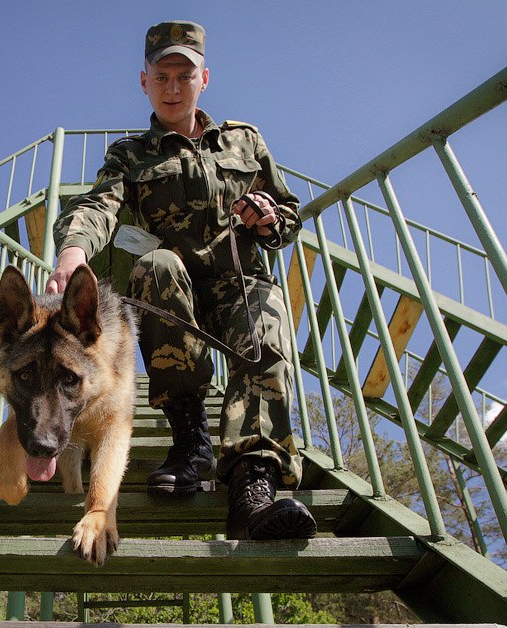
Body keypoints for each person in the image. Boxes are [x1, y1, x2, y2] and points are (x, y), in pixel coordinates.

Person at [46, 20, 316, 541]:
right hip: (174, 289)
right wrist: (72, 252)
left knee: (265, 312)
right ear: (143, 81)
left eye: (184, 76)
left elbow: (287, 213)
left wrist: (269, 217)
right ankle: (191, 436)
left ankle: (252, 483)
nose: (173, 88)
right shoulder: (131, 154)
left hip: (238, 282)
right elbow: (100, 205)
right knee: (156, 266)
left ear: (204, 79)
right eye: (162, 76)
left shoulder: (245, 141)